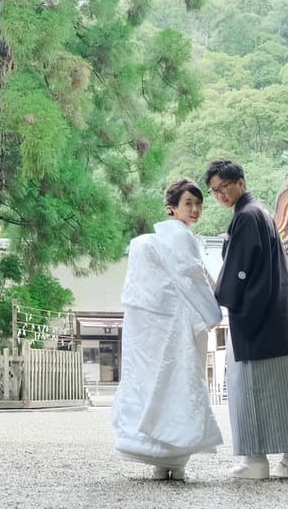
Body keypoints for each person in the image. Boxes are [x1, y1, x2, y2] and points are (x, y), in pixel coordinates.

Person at [207, 158, 288, 481]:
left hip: (257, 321)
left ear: (240, 182)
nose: (220, 194)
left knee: (249, 388)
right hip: (281, 318)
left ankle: (255, 460)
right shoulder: (262, 214)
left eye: (224, 187)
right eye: (215, 191)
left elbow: (238, 270)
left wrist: (219, 298)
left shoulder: (246, 217)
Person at [112, 178, 223, 482]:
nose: (195, 209)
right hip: (176, 323)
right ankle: (175, 459)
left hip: (156, 325)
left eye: (198, 203)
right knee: (178, 381)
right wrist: (213, 313)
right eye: (188, 203)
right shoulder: (181, 238)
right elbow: (195, 278)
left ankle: (159, 458)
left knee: (155, 381)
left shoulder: (150, 241)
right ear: (172, 208)